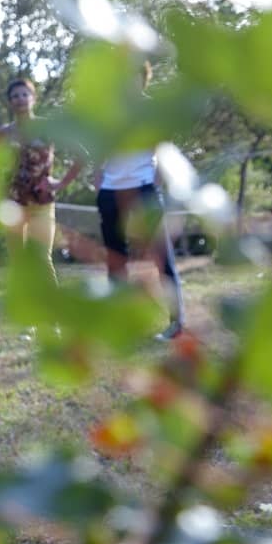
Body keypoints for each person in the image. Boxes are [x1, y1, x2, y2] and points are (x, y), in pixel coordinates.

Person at [94, 61, 185, 340]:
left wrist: (154, 184)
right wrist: (99, 183)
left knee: (161, 258)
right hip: (110, 193)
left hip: (144, 191)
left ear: (142, 79)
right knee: (116, 260)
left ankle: (176, 323)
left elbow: (165, 150)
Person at [0, 78, 82, 287]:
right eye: (14, 96)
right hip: (12, 205)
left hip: (42, 203)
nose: (20, 99)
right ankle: (28, 318)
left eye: (24, 94)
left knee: (41, 258)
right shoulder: (5, 132)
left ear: (33, 98)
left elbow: (81, 155)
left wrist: (61, 183)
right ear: (9, 103)